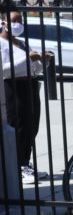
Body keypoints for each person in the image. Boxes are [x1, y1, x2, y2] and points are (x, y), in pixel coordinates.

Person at [0, 10, 49, 183]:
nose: (19, 23)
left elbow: (34, 68)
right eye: (14, 20)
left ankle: (25, 163)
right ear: (4, 22)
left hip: (30, 85)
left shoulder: (21, 43)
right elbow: (4, 69)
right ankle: (17, 166)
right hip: (13, 87)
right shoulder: (2, 43)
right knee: (18, 125)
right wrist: (28, 58)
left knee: (31, 126)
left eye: (20, 19)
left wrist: (41, 60)